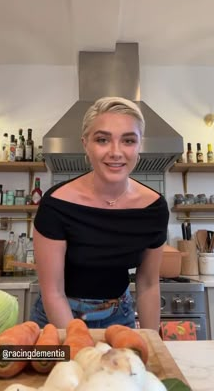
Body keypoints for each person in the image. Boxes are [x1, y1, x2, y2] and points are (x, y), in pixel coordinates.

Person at [30, 96, 169, 331]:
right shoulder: (56, 205)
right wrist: (77, 344)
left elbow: (148, 284)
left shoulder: (154, 208)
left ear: (139, 145)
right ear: (85, 144)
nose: (116, 152)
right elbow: (53, 292)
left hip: (119, 317)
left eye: (128, 140)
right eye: (103, 139)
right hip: (57, 318)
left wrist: (152, 342)